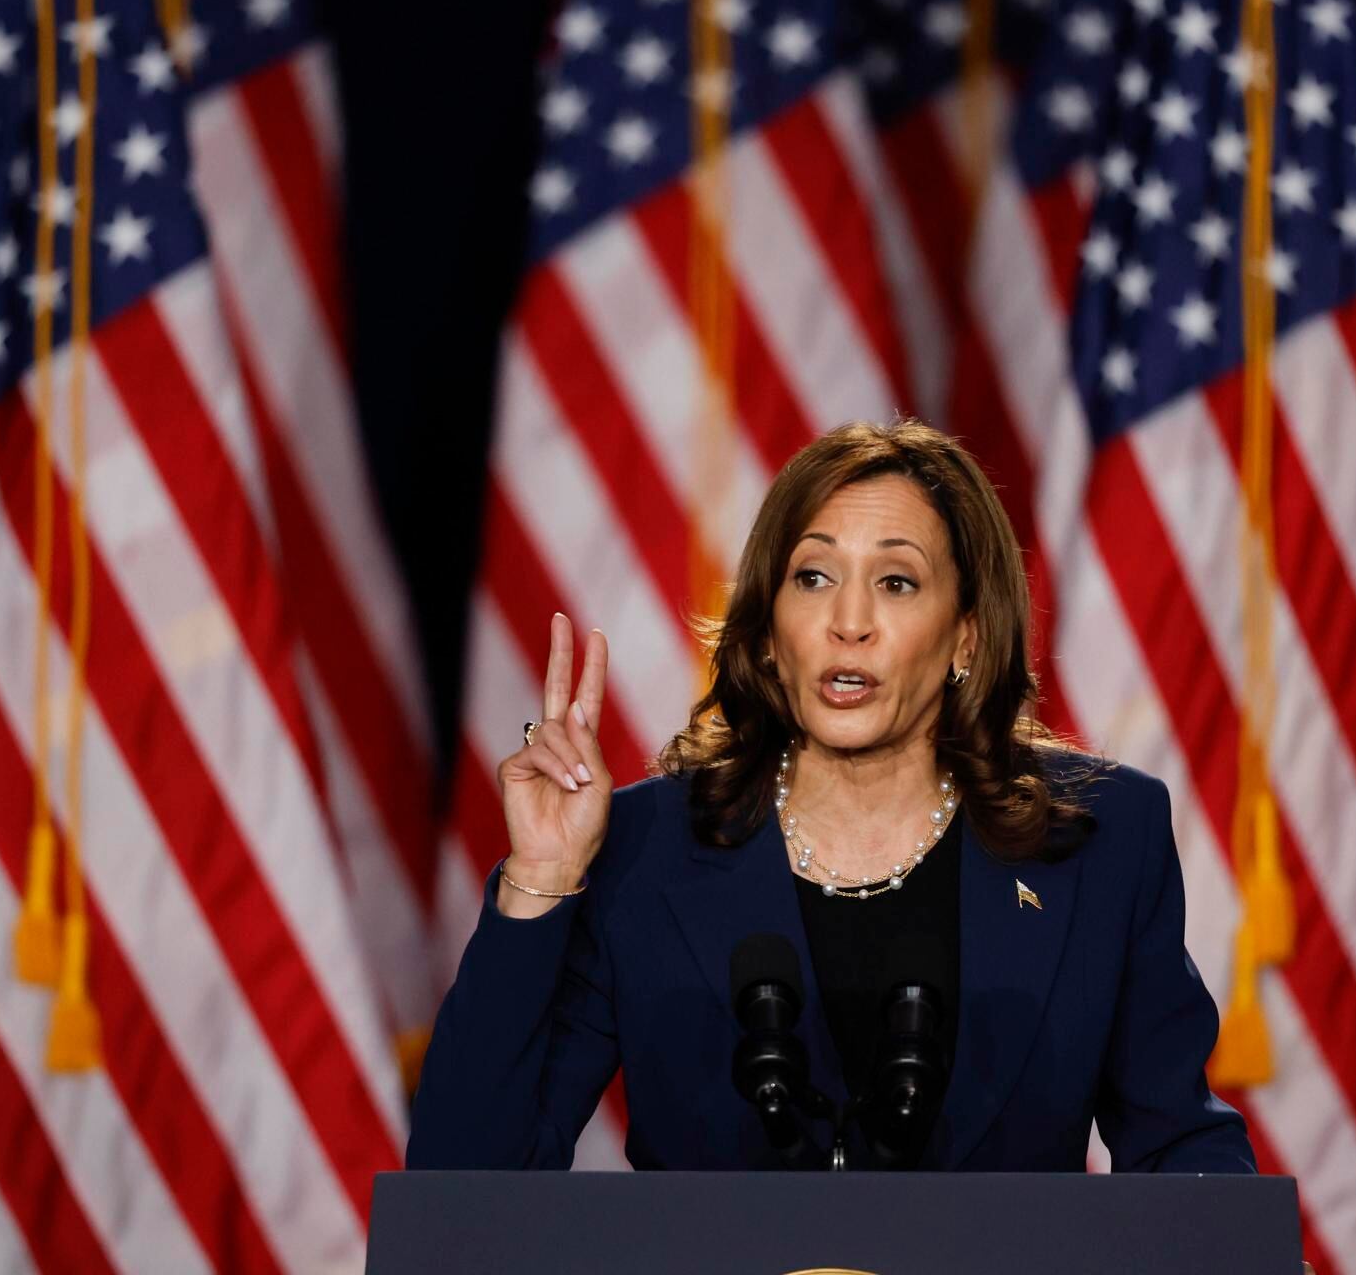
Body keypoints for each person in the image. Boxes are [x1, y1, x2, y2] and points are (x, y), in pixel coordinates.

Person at [408, 419, 1253, 1173]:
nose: (849, 620)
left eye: (897, 582)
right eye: (812, 578)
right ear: (770, 636)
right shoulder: (644, 848)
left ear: (967, 634)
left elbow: (1179, 1151)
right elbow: (468, 1180)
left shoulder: (1099, 842)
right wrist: (542, 878)